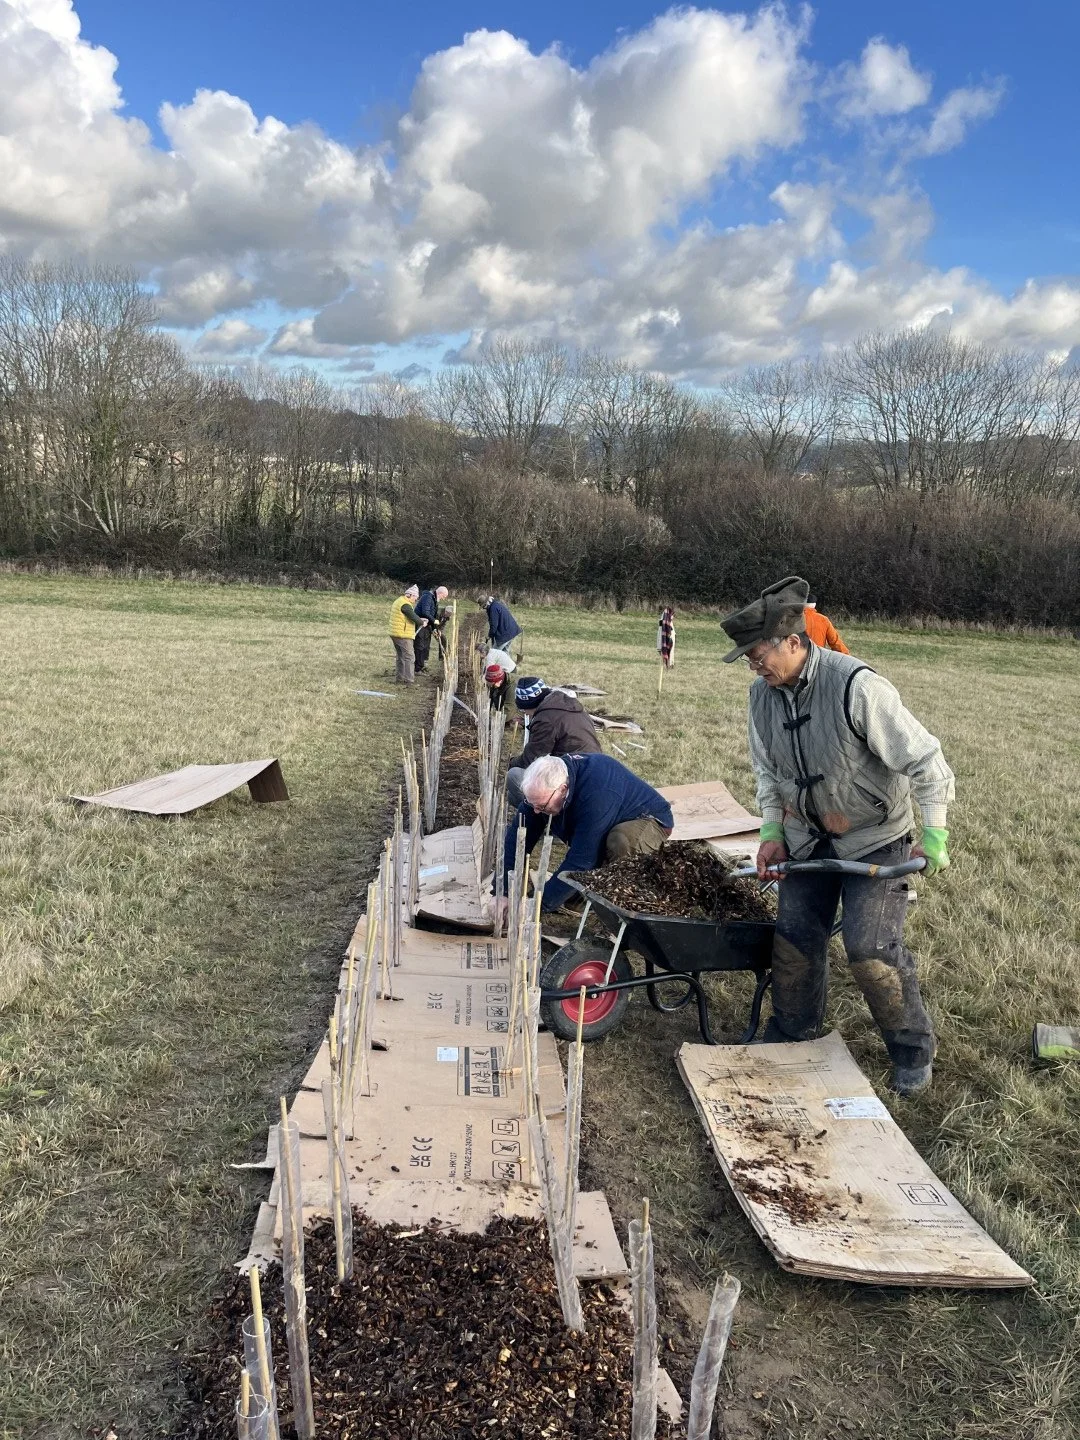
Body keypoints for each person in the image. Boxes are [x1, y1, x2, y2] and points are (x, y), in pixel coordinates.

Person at [721, 574, 954, 1097]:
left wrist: (934, 834)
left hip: (876, 838)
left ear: (795, 642)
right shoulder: (762, 699)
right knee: (795, 939)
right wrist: (773, 829)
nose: (754, 666)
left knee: (869, 948)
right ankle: (793, 1031)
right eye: (748, 658)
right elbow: (768, 774)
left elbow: (926, 760)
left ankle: (913, 1049)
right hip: (806, 839)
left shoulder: (857, 686)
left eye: (758, 654)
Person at [499, 753, 673, 914]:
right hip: (605, 818)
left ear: (563, 789)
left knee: (620, 841)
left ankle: (619, 901)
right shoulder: (543, 789)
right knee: (579, 860)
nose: (536, 811)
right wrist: (503, 892)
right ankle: (582, 892)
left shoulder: (596, 796)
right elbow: (518, 837)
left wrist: (537, 906)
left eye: (542, 806)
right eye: (533, 805)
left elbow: (582, 859)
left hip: (649, 821)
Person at [505, 677, 601, 808]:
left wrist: (509, 763)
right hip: (593, 770)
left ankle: (543, 818)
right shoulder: (565, 706)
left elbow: (531, 760)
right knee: (512, 797)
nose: (524, 713)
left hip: (574, 780)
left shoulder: (545, 720)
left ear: (529, 705)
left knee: (514, 776)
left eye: (523, 710)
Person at [388, 584, 421, 685]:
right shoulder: (405, 604)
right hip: (403, 635)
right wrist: (421, 622)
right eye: (415, 597)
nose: (416, 599)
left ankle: (400, 679)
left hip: (395, 633)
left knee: (400, 656)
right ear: (410, 595)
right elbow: (412, 616)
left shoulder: (399, 601)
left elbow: (410, 616)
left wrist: (419, 619)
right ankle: (409, 680)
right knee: (409, 657)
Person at [414, 585, 450, 672]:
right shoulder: (427, 597)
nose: (443, 599)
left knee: (426, 647)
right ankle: (417, 668)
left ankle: (422, 666)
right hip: (421, 624)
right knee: (420, 646)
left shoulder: (433, 599)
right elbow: (425, 612)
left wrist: (435, 628)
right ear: (440, 593)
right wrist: (434, 621)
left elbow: (432, 614)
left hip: (427, 625)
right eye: (443, 596)